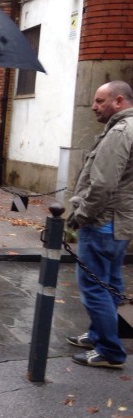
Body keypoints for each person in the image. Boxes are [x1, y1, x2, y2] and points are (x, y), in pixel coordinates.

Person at [65, 80, 133, 369]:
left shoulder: (120, 132)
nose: (93, 106)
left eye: (99, 101)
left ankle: (109, 351)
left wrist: (81, 216)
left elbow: (103, 184)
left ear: (118, 101)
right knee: (110, 282)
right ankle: (99, 334)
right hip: (120, 223)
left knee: (94, 287)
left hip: (103, 221)